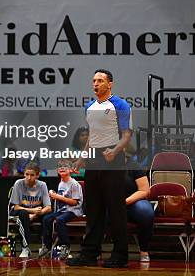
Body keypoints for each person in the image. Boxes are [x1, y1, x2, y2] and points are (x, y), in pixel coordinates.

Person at [67, 69, 132, 268]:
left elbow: (127, 135)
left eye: (100, 80)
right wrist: (81, 159)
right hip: (94, 159)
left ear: (110, 84)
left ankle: (120, 255)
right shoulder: (89, 106)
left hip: (113, 158)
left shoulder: (120, 105)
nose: (96, 84)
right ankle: (89, 254)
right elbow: (92, 137)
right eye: (94, 80)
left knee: (115, 209)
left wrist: (115, 151)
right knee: (93, 209)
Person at [39, 160, 83, 260]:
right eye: (60, 167)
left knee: (60, 220)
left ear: (71, 170)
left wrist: (58, 197)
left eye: (65, 167)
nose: (62, 168)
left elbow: (75, 202)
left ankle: (65, 246)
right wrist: (53, 194)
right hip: (62, 210)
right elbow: (61, 196)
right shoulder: (61, 183)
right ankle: (47, 245)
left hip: (73, 210)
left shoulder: (74, 184)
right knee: (46, 219)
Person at [9, 162, 52, 258]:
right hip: (21, 212)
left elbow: (48, 207)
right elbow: (16, 207)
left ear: (37, 175)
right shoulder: (18, 183)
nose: (29, 177)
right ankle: (25, 247)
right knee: (23, 214)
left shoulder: (42, 185)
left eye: (32, 175)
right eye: (27, 174)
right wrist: (32, 211)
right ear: (24, 174)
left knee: (48, 217)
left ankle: (45, 247)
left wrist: (36, 214)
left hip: (36, 212)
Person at [124, 158, 153, 262]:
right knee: (98, 210)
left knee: (145, 211)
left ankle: (144, 250)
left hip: (133, 202)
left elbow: (144, 190)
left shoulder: (134, 165)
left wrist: (125, 202)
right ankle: (95, 250)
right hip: (110, 203)